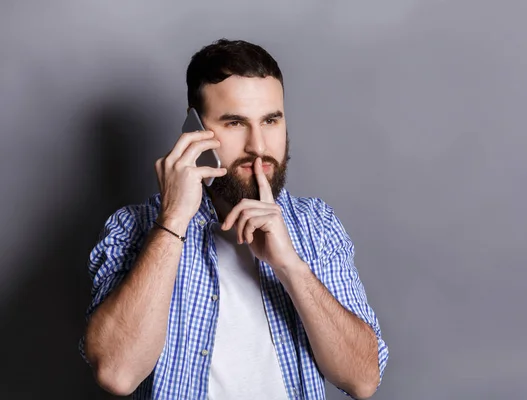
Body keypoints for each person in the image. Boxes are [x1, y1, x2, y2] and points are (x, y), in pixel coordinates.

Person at [80, 38, 388, 400]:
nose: (258, 145)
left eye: (271, 120)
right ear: (194, 131)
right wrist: (173, 221)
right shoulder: (133, 227)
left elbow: (362, 380)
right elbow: (118, 373)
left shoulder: (316, 225)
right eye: (235, 123)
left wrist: (290, 266)